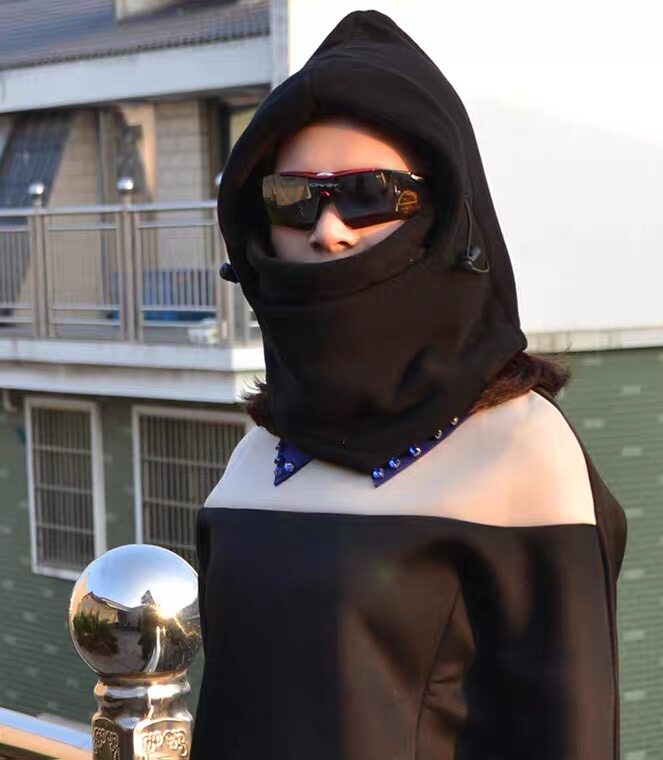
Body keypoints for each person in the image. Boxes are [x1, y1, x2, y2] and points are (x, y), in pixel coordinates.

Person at [191, 9, 627, 760]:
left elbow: (570, 738)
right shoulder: (256, 459)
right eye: (293, 198)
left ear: (446, 216)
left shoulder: (519, 451)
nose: (329, 229)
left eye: (371, 194)